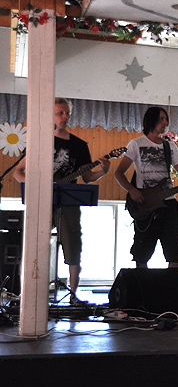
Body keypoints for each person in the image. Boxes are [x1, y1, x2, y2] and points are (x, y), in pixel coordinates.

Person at [13, 97, 111, 304]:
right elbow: (18, 171)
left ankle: (73, 296)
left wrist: (103, 171)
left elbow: (87, 177)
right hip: (41, 200)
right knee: (33, 246)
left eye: (67, 113)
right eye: (60, 113)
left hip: (68, 201)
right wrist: (35, 188)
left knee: (73, 246)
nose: (65, 117)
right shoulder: (40, 141)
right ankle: (26, 296)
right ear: (51, 115)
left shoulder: (79, 145)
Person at [114, 106, 178, 268]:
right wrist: (132, 190)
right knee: (142, 254)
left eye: (166, 119)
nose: (166, 122)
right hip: (145, 204)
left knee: (175, 253)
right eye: (162, 118)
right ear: (152, 120)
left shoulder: (170, 147)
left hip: (168, 204)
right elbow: (119, 173)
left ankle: (171, 283)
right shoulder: (136, 144)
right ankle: (142, 284)